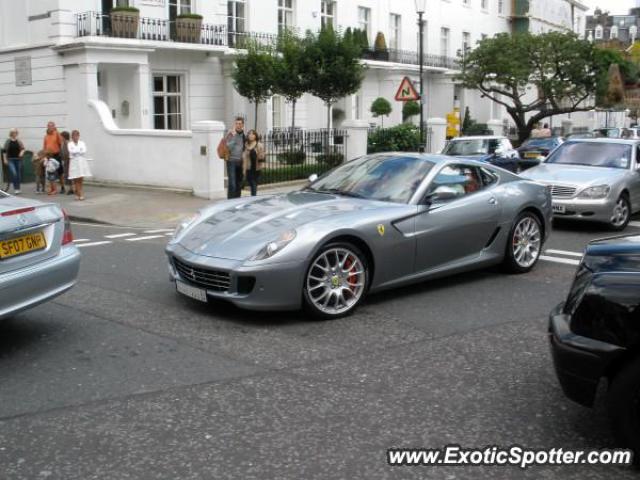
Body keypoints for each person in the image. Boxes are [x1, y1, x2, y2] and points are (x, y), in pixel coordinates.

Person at [221, 117, 246, 199]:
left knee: (238, 183)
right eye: (236, 123)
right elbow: (228, 147)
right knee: (232, 184)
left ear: (242, 125)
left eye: (239, 124)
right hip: (231, 161)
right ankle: (229, 201)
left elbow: (244, 148)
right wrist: (234, 137)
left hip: (240, 162)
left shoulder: (244, 135)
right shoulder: (230, 134)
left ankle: (236, 201)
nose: (238, 125)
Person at [67, 130, 92, 201]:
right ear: (72, 136)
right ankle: (80, 194)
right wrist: (78, 151)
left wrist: (76, 151)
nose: (75, 137)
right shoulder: (70, 144)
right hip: (74, 162)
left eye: (76, 135)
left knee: (80, 178)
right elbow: (71, 151)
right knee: (75, 178)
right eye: (73, 135)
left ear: (78, 136)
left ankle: (78, 193)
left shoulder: (82, 143)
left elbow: (84, 151)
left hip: (81, 161)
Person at [43, 121, 66, 193]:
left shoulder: (56, 134)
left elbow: (61, 143)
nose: (50, 127)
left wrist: (61, 153)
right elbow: (44, 147)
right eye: (49, 126)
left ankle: (62, 187)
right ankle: (53, 189)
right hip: (49, 156)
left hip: (56, 155)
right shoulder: (46, 136)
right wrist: (45, 156)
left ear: (54, 127)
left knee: (60, 172)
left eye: (51, 126)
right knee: (50, 173)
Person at [242, 129, 266, 197]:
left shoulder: (259, 145)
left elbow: (262, 156)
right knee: (251, 183)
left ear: (255, 136)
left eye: (253, 134)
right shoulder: (246, 145)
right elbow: (244, 156)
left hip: (256, 168)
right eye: (250, 134)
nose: (251, 135)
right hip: (248, 168)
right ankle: (253, 196)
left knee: (254, 184)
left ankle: (253, 197)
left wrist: (260, 154)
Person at [2, 128, 25, 194]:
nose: (14, 134)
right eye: (12, 132)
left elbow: (23, 149)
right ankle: (16, 189)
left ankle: (18, 188)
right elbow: (4, 151)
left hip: (18, 159)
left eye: (15, 132)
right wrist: (5, 159)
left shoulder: (19, 141)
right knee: (14, 173)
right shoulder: (8, 141)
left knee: (18, 175)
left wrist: (21, 152)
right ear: (11, 133)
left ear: (16, 133)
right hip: (10, 159)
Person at [60, 131, 74, 195]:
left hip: (69, 161)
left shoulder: (68, 143)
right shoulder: (63, 143)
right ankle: (71, 188)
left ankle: (72, 189)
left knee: (70, 175)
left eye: (61, 136)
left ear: (64, 137)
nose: (60, 138)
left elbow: (69, 152)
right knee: (67, 175)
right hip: (65, 161)